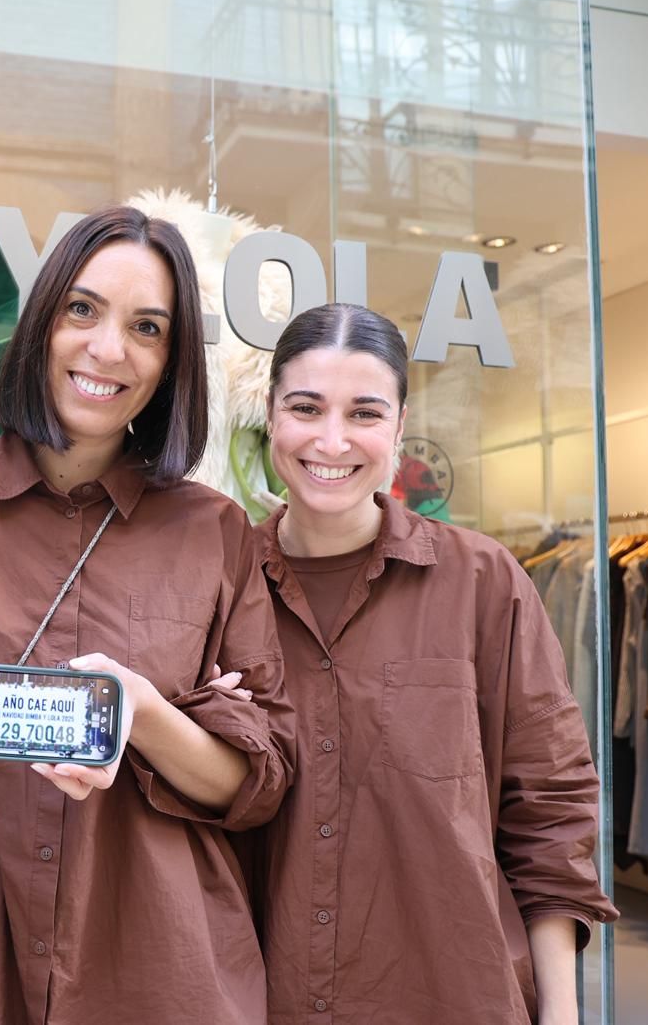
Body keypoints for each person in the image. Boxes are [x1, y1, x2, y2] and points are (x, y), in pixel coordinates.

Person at [0, 205, 296, 1025]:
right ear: (42, 322)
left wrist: (141, 709)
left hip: (160, 971)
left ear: (170, 363)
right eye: (83, 310)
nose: (107, 349)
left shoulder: (213, 532)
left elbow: (256, 782)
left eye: (147, 328)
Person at [242, 302, 618, 1024]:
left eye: (364, 413)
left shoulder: (482, 582)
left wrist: (563, 1015)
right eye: (306, 407)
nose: (331, 439)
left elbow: (550, 811)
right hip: (262, 998)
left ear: (400, 429)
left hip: (450, 994)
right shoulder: (222, 585)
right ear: (270, 414)